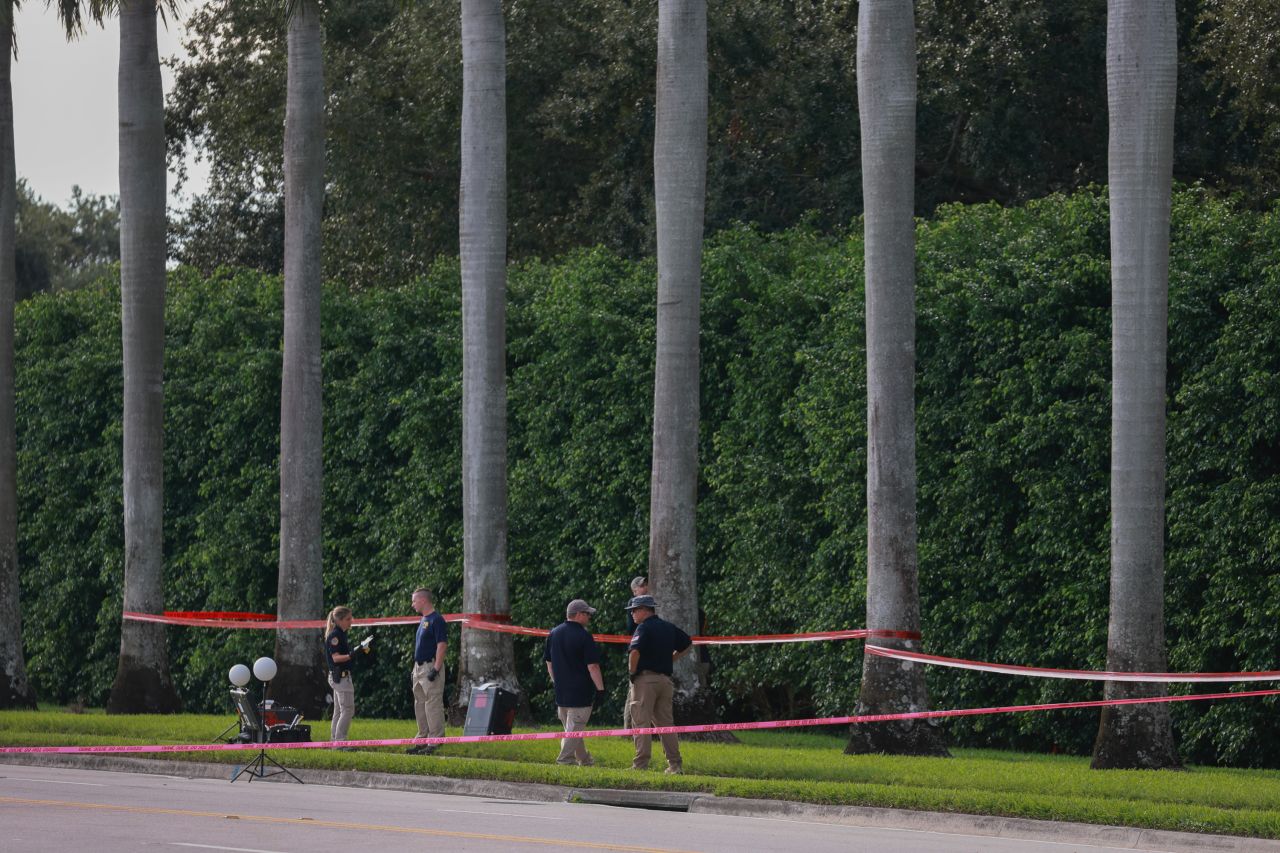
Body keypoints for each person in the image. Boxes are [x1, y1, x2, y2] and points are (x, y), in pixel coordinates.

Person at [625, 594, 692, 774]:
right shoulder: (668, 627)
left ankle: (640, 765)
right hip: (665, 681)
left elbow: (634, 653)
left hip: (646, 680)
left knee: (641, 722)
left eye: (634, 610)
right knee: (666, 725)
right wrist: (672, 659)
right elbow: (687, 643)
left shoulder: (643, 628)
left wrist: (632, 673)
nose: (632, 614)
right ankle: (675, 764)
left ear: (644, 610)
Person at [544, 599, 605, 766]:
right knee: (573, 730)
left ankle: (585, 761)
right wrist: (600, 689)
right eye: (587, 614)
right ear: (578, 615)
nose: (589, 618)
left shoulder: (553, 633)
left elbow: (549, 663)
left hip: (561, 693)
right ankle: (564, 760)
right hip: (581, 693)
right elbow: (592, 666)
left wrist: (557, 681)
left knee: (573, 730)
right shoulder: (584, 636)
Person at [408, 587, 448, 755]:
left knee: (433, 704)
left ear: (423, 600)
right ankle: (422, 738)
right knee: (420, 704)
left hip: (430, 667)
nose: (412, 605)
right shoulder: (423, 619)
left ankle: (435, 740)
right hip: (419, 668)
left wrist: (436, 668)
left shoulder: (436, 619)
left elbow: (442, 644)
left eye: (414, 601)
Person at [323, 606, 370, 749]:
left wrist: (358, 649)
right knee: (348, 710)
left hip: (340, 677)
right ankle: (340, 742)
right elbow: (336, 658)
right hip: (341, 678)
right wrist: (354, 653)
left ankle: (334, 740)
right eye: (348, 619)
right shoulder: (335, 636)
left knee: (339, 710)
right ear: (339, 620)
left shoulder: (341, 633)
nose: (351, 621)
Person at [621, 576, 648, 732]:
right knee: (633, 688)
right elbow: (631, 627)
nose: (645, 587)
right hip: (637, 649)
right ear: (634, 590)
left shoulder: (651, 602)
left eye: (645, 584)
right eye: (641, 586)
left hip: (645, 649)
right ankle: (628, 728)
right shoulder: (633, 604)